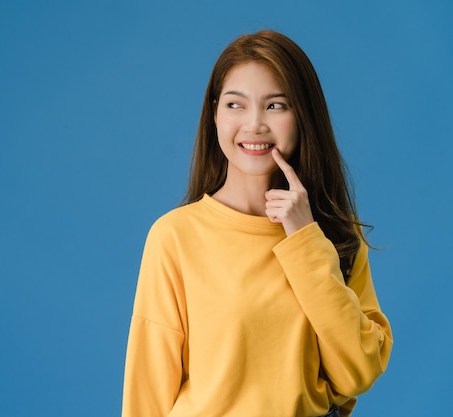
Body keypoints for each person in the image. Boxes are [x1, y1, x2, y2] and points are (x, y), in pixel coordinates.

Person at [121, 30, 393, 417]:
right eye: (235, 105)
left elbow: (359, 372)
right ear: (214, 113)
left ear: (303, 117)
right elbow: (147, 393)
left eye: (276, 106)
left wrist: (304, 239)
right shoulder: (175, 236)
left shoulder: (332, 233)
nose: (254, 124)